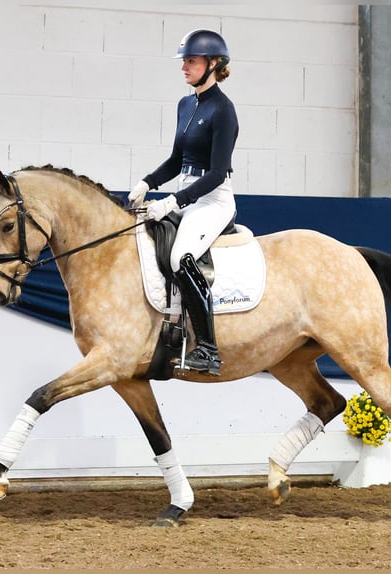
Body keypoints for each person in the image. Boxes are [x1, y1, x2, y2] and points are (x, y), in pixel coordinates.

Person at [129, 29, 239, 376]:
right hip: (188, 194)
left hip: (214, 200)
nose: (184, 67)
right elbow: (177, 160)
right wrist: (148, 182)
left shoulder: (223, 110)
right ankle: (169, 327)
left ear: (213, 64)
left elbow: (218, 172)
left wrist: (173, 201)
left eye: (191, 61)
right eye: (185, 61)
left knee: (181, 256)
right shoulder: (185, 105)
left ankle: (207, 350)